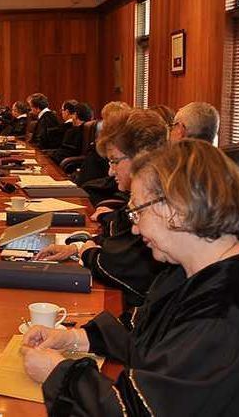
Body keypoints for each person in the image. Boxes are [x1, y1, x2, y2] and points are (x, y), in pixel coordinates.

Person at [22, 139, 239, 416]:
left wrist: (59, 373)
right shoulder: (201, 266)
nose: (135, 229)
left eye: (137, 212)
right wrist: (72, 338)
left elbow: (141, 411)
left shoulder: (226, 319)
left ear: (176, 210)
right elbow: (148, 330)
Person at [36, 110, 169, 309]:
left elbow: (121, 265)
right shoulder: (145, 196)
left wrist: (88, 253)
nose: (110, 171)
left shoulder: (159, 205)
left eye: (114, 161)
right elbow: (118, 241)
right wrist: (77, 248)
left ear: (140, 157)